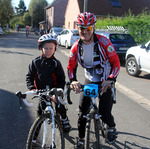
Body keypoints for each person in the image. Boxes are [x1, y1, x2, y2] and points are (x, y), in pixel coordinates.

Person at [67, 12, 120, 148]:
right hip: (90, 79)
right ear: (77, 28)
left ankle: (111, 127)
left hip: (105, 79)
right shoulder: (76, 47)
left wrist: (110, 79)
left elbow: (116, 63)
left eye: (88, 28)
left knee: (104, 112)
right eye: (82, 29)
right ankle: (81, 138)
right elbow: (71, 67)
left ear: (93, 28)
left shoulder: (103, 42)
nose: (85, 32)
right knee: (83, 112)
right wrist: (73, 80)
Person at [26, 34, 71, 132]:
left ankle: (64, 118)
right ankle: (34, 137)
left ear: (55, 49)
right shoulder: (35, 62)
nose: (48, 50)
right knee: (40, 113)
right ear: (41, 49)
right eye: (45, 48)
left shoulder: (56, 63)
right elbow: (29, 76)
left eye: (51, 48)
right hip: (42, 91)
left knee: (60, 106)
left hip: (55, 90)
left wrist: (58, 91)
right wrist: (32, 87)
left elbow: (61, 79)